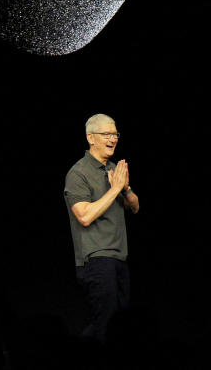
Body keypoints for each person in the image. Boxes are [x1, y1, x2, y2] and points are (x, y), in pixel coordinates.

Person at [63, 113, 140, 343]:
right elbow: (84, 216)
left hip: (119, 258)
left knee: (118, 325)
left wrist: (125, 189)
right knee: (105, 324)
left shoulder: (114, 169)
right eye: (106, 134)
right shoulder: (78, 174)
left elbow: (135, 207)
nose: (113, 139)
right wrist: (115, 190)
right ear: (91, 138)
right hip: (96, 259)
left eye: (115, 134)